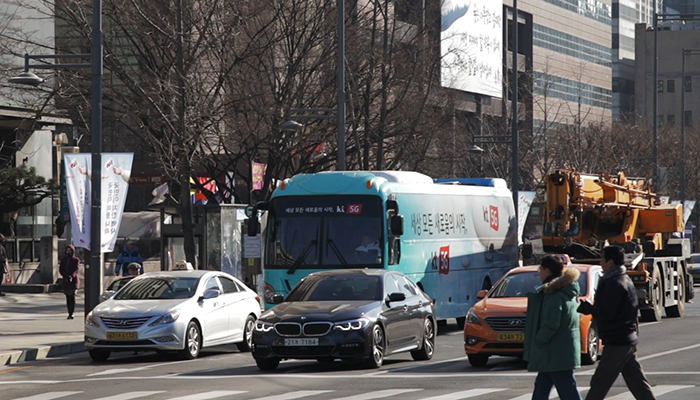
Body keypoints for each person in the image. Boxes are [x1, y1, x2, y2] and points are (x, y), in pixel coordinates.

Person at [577, 245, 656, 400]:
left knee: (600, 381)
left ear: (610, 262)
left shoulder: (614, 283)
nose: (600, 263)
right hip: (626, 337)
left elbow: (607, 313)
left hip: (617, 340)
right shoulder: (624, 279)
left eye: (602, 259)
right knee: (637, 382)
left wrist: (589, 309)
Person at [523, 255, 582, 400]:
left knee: (566, 388)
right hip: (558, 349)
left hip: (554, 350)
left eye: (540, 269)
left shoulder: (553, 295)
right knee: (543, 385)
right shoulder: (566, 291)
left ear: (547, 271)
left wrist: (538, 340)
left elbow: (551, 323)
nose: (538, 273)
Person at [59, 245, 81, 319]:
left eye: (70, 250)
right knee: (68, 297)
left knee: (72, 296)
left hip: (73, 281)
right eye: (67, 250)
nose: (68, 252)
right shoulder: (63, 260)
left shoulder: (76, 260)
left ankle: (72, 312)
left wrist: (72, 275)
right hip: (66, 281)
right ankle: (69, 312)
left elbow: (76, 269)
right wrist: (64, 275)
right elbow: (61, 269)